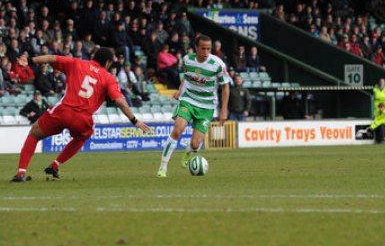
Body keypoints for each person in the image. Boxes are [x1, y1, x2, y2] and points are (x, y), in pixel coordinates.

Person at [10, 48, 150, 182]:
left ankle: (21, 172)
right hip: (83, 118)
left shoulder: (77, 63)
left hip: (63, 111)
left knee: (34, 134)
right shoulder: (109, 78)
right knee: (83, 136)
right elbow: (120, 101)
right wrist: (134, 120)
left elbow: (51, 58)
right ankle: (55, 165)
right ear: (107, 63)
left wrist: (30, 60)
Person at [156, 34, 230, 177]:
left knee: (196, 144)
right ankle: (163, 167)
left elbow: (225, 87)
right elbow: (187, 76)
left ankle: (188, 153)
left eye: (209, 49)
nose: (206, 52)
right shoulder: (187, 60)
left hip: (206, 107)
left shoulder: (218, 65)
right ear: (196, 48)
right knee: (178, 130)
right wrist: (179, 90)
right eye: (203, 49)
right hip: (188, 100)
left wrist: (223, 110)